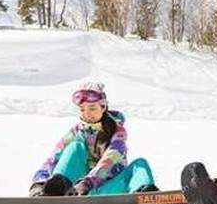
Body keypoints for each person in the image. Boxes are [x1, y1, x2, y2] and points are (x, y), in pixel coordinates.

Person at [29, 82, 158, 197]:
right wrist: (39, 183)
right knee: (75, 147)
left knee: (140, 163)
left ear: (103, 107)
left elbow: (110, 159)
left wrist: (87, 183)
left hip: (108, 188)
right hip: (77, 192)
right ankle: (57, 190)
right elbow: (54, 158)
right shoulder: (76, 132)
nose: (87, 114)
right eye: (82, 109)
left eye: (92, 108)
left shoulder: (117, 132)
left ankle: (145, 197)